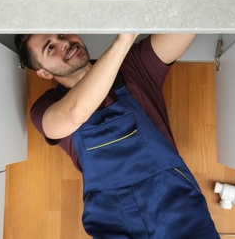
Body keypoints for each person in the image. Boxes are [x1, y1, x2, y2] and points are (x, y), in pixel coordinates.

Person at [15, 33, 219, 238]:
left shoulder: (134, 68)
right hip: (114, 220)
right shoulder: (46, 108)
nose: (64, 43)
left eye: (61, 33)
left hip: (178, 207)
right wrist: (124, 40)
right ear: (43, 73)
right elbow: (74, 113)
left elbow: (184, 28)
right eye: (50, 48)